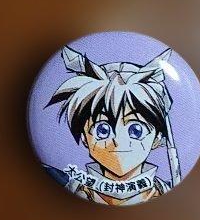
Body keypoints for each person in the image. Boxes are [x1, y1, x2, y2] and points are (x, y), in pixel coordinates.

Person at [45, 44, 182, 206]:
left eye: (136, 130)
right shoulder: (61, 185)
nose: (118, 141)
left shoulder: (170, 195)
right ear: (84, 137)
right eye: (102, 130)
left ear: (157, 137)